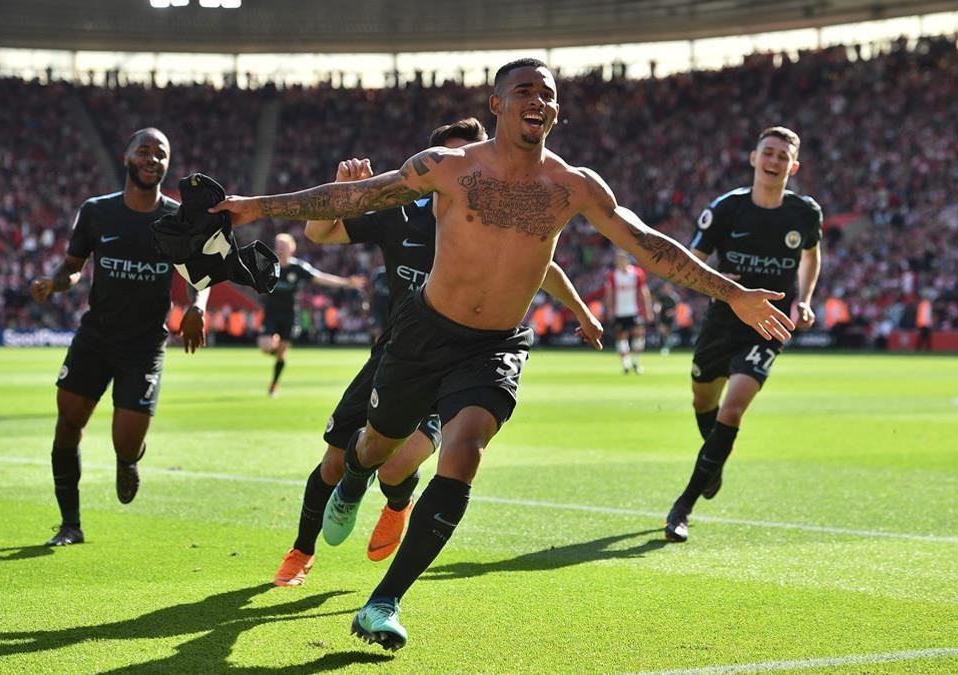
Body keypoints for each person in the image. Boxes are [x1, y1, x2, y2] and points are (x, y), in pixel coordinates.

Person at [210, 58, 794, 650]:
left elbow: (646, 244)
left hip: (496, 345)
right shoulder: (448, 167)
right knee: (376, 445)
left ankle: (383, 602)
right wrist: (258, 206)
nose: (538, 100)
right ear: (497, 105)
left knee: (463, 451)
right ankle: (356, 477)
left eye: (548, 93)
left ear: (557, 110)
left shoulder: (575, 186)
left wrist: (734, 292)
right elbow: (356, 196)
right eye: (524, 91)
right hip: (423, 333)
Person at [272, 117, 602, 588]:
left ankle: (398, 502)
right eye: (456, 157)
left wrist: (581, 311)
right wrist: (346, 193)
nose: (468, 166)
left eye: (475, 153)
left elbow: (542, 265)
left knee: (397, 465)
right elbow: (320, 235)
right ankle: (302, 551)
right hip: (396, 353)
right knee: (335, 461)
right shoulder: (401, 209)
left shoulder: (502, 213)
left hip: (457, 359)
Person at [28, 128, 210, 547]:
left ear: (167, 164)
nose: (152, 158)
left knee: (126, 443)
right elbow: (73, 266)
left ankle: (128, 461)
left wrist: (197, 306)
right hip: (96, 336)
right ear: (126, 157)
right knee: (68, 424)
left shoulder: (177, 218)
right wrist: (56, 283)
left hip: (144, 346)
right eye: (143, 150)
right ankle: (70, 524)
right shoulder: (96, 211)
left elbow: (201, 272)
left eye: (160, 153)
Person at [663, 126, 823, 542]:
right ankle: (711, 461)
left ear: (793, 166)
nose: (773, 162)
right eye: (767, 153)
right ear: (753, 157)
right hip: (722, 319)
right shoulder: (726, 209)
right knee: (703, 398)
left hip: (769, 323)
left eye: (782, 157)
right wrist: (719, 282)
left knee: (732, 410)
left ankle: (683, 507)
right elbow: (690, 262)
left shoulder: (805, 213)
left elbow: (810, 257)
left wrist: (804, 299)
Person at [261, 233, 364, 396]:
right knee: (266, 347)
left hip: (290, 314)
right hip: (272, 313)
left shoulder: (298, 268)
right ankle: (274, 345)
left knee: (281, 354)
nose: (280, 248)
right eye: (278, 245)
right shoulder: (268, 266)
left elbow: (320, 277)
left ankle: (274, 383)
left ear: (292, 248)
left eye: (283, 246)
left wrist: (346, 282)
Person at [605, 250, 653, 373]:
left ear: (627, 260)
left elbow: (643, 292)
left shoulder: (637, 273)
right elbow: (609, 294)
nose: (619, 262)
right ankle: (626, 365)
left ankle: (636, 362)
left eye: (622, 259)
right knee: (621, 337)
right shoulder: (612, 275)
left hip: (634, 310)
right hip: (619, 312)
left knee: (639, 334)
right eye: (618, 260)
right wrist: (610, 310)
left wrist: (648, 310)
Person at [654, 282, 681, 355]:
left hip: (671, 319)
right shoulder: (661, 296)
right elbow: (657, 304)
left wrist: (671, 312)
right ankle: (666, 347)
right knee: (663, 331)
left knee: (668, 333)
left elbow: (677, 308)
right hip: (662, 317)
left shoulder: (674, 297)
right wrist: (657, 308)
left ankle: (667, 347)